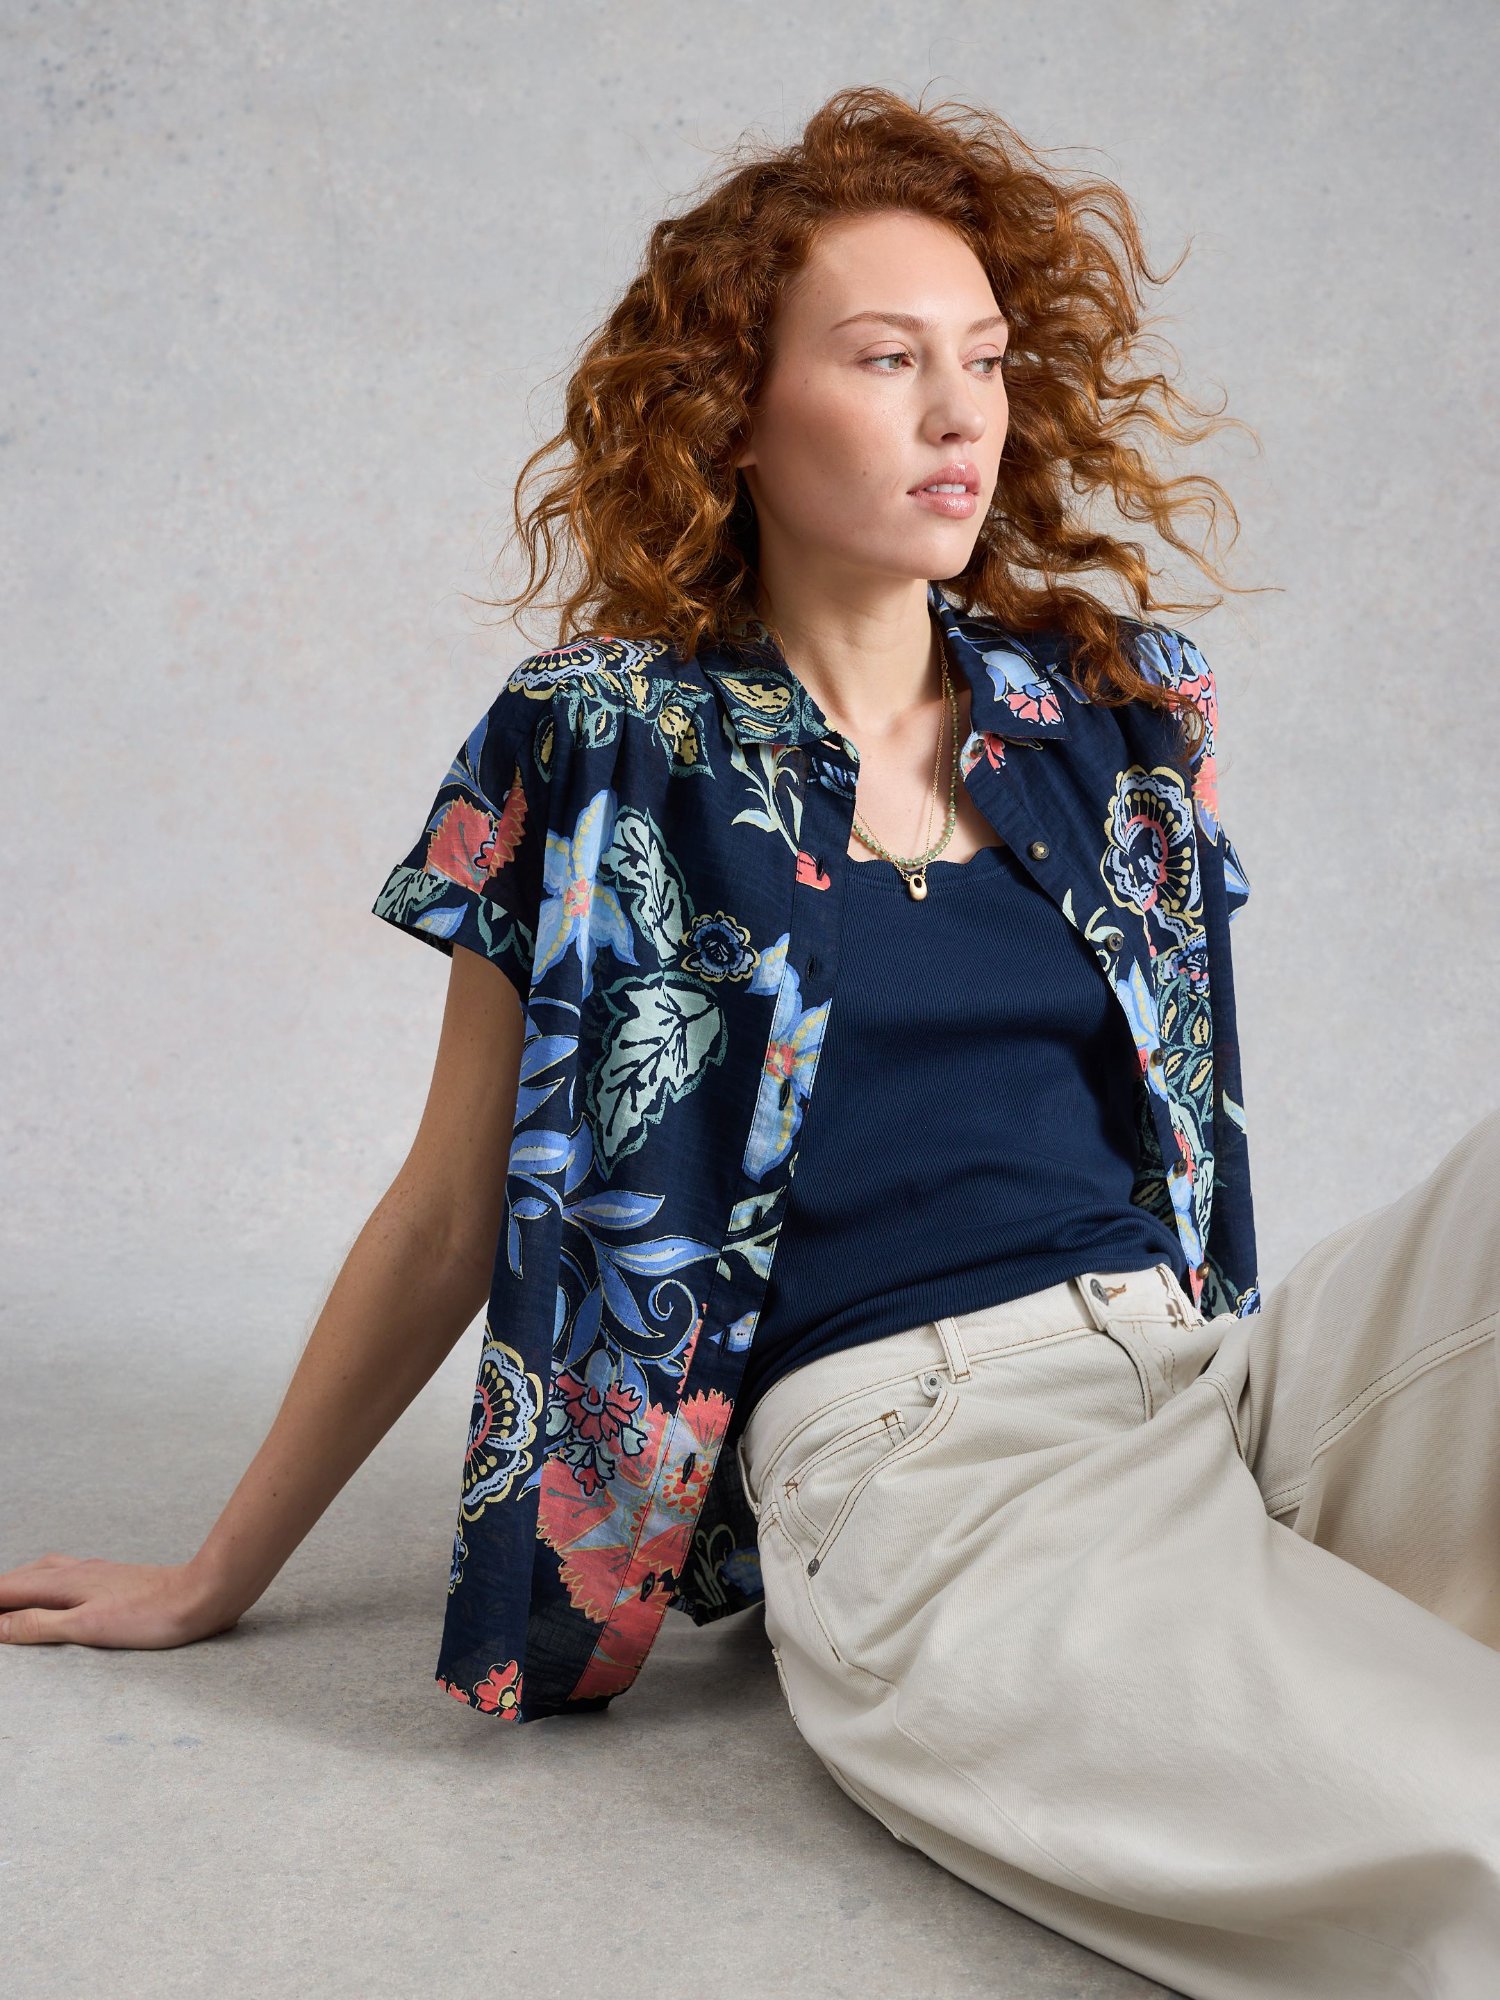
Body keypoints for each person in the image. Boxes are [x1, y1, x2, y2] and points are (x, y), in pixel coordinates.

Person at [4, 81, 1498, 1998]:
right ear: (734, 412)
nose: (960, 415)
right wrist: (216, 1574)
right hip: (934, 1484)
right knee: (1463, 1828)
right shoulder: (605, 750)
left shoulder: (1113, 714)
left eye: (983, 359)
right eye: (886, 360)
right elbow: (450, 1210)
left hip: (1213, 1383)